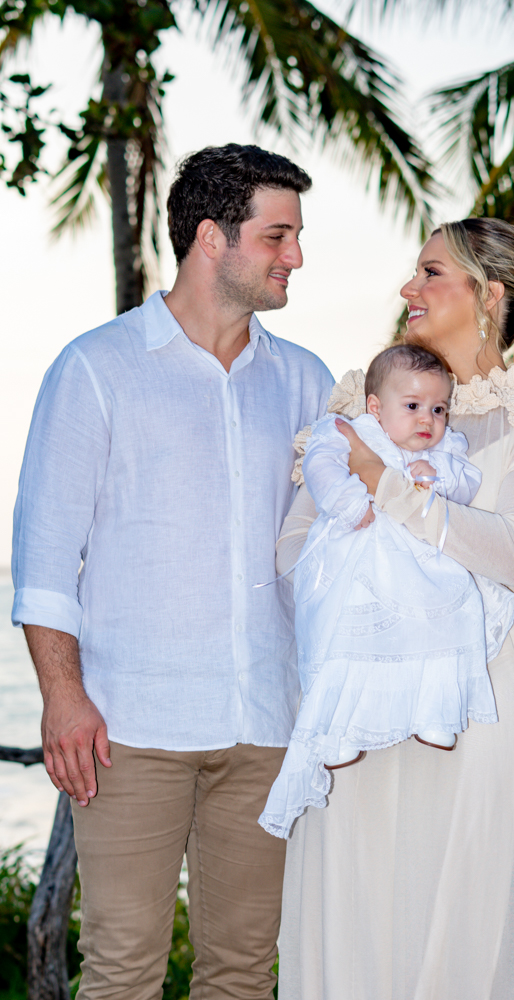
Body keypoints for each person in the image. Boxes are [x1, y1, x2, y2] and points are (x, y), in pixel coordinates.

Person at [11, 144, 334, 999]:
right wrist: (63, 698)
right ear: (210, 239)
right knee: (122, 972)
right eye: (278, 236)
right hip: (130, 730)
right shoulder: (95, 370)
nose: (295, 257)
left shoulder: (306, 383)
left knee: (242, 974)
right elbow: (43, 555)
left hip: (268, 724)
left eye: (295, 238)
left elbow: (334, 555)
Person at [275, 218, 514, 999]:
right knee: (360, 931)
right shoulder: (361, 404)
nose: (407, 289)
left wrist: (388, 492)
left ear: (488, 296)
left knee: (466, 940)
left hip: (482, 717)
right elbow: (292, 555)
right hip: (357, 713)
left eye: (430, 272)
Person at [258, 344, 514, 839]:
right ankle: (337, 729)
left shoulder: (445, 449)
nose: (429, 420)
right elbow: (322, 469)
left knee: (442, 619)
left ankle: (433, 711)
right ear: (376, 406)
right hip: (356, 546)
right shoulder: (349, 433)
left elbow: (465, 484)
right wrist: (351, 502)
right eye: (414, 406)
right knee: (344, 633)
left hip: (418, 560)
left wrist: (435, 477)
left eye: (439, 409)